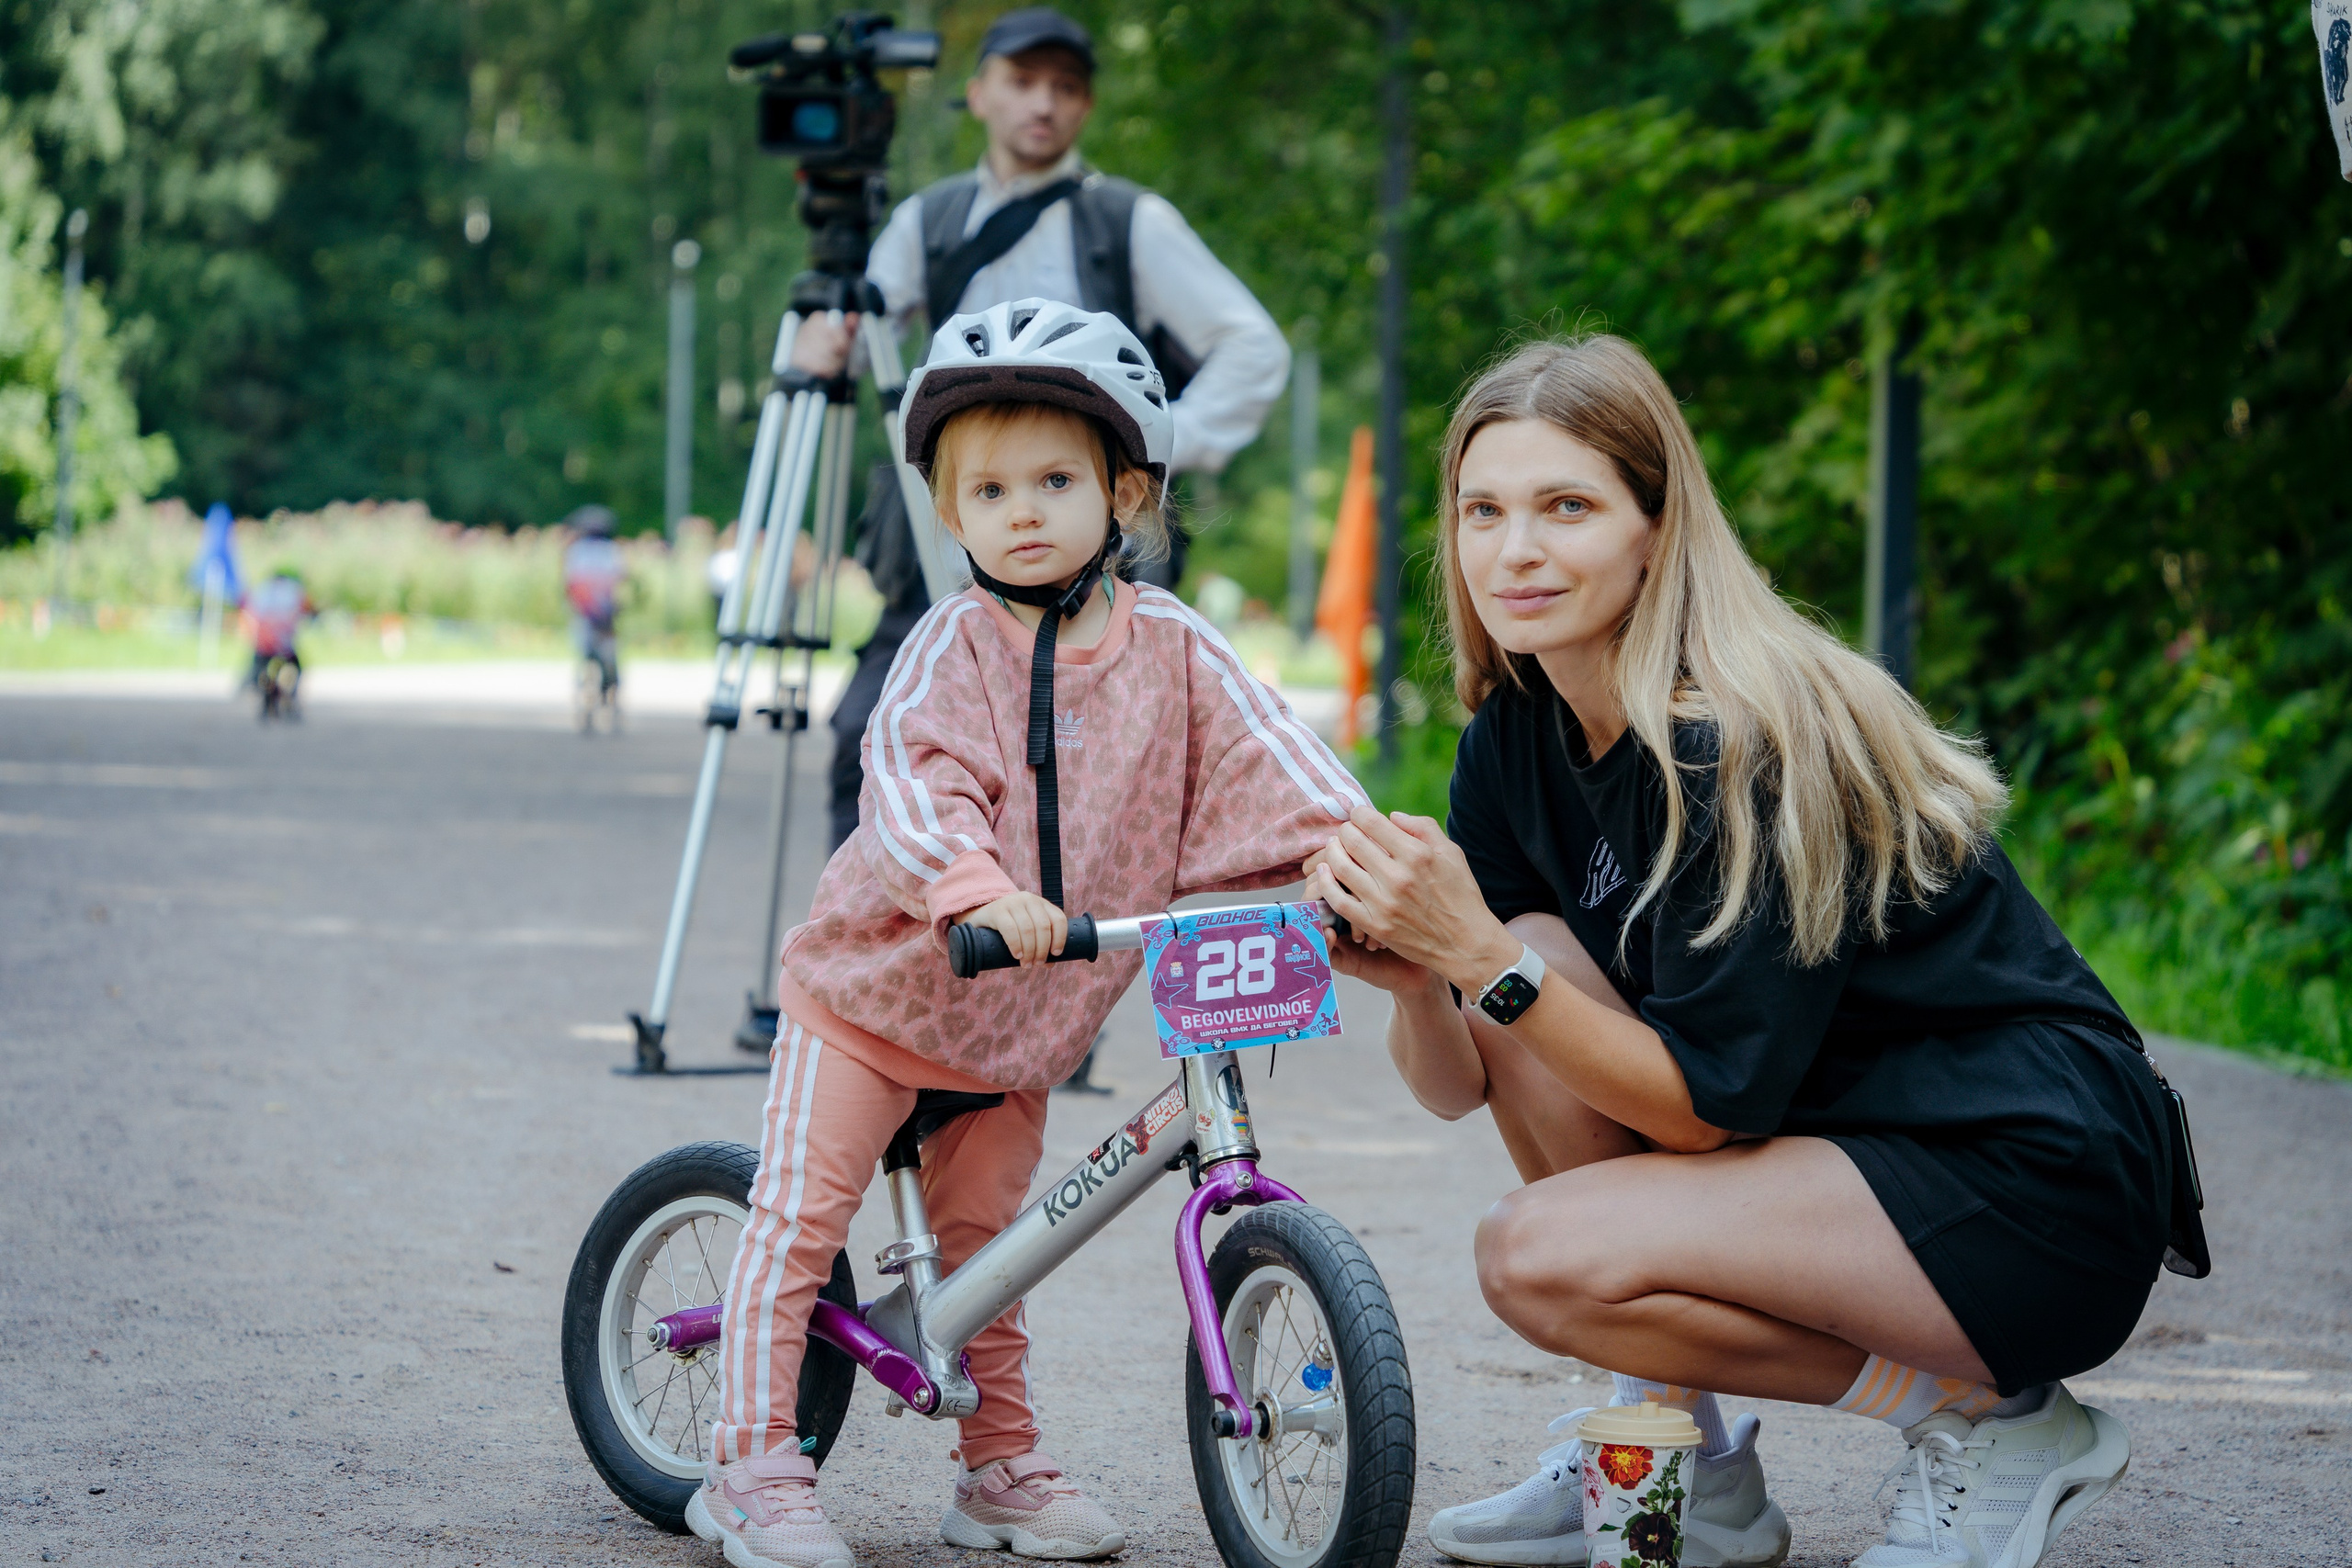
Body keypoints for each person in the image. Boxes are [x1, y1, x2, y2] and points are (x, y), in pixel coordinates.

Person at [1307, 335, 2196, 1568]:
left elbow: (1705, 1112)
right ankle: (1692, 1455)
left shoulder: (1748, 737)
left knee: (1536, 1250)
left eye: (1567, 506)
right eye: (1483, 510)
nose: (1515, 548)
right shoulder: (1516, 739)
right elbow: (1465, 1077)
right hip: (1835, 1147)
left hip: (2025, 1170)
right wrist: (1427, 971)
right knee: (1534, 951)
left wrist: (1479, 956)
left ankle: (1994, 1417)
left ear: (1658, 530)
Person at [689, 300, 1364, 1568]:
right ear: (950, 511)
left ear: (1124, 490)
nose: (1024, 509)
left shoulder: (1174, 647)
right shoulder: (950, 643)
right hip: (882, 996)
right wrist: (972, 881)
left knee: (991, 1258)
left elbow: (1277, 759)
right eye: (988, 487)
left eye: (1056, 479)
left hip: (1019, 1031)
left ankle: (996, 1467)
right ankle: (749, 1461)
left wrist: (1361, 854)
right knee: (798, 1216)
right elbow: (907, 779)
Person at [801, 4, 1291, 854]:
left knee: (1087, 764)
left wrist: (1158, 451)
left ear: (1086, 107)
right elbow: (859, 339)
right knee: (870, 732)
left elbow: (1253, 346)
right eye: (1022, 82)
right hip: (948, 536)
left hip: (1089, 545)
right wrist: (823, 341)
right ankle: (882, 941)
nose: (1043, 103)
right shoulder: (930, 218)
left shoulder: (1128, 220)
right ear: (979, 92)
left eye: (1065, 87)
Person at [562, 504, 626, 703]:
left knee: (593, 652)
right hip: (598, 611)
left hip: (590, 611)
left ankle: (605, 683)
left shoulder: (578, 551)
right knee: (603, 652)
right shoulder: (610, 551)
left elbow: (572, 584)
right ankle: (608, 684)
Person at [239, 567, 312, 699]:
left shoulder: (262, 590)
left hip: (265, 640)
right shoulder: (292, 591)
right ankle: (288, 696)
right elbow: (302, 611)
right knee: (295, 668)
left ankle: (260, 690)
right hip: (282, 641)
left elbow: (251, 612)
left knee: (260, 667)